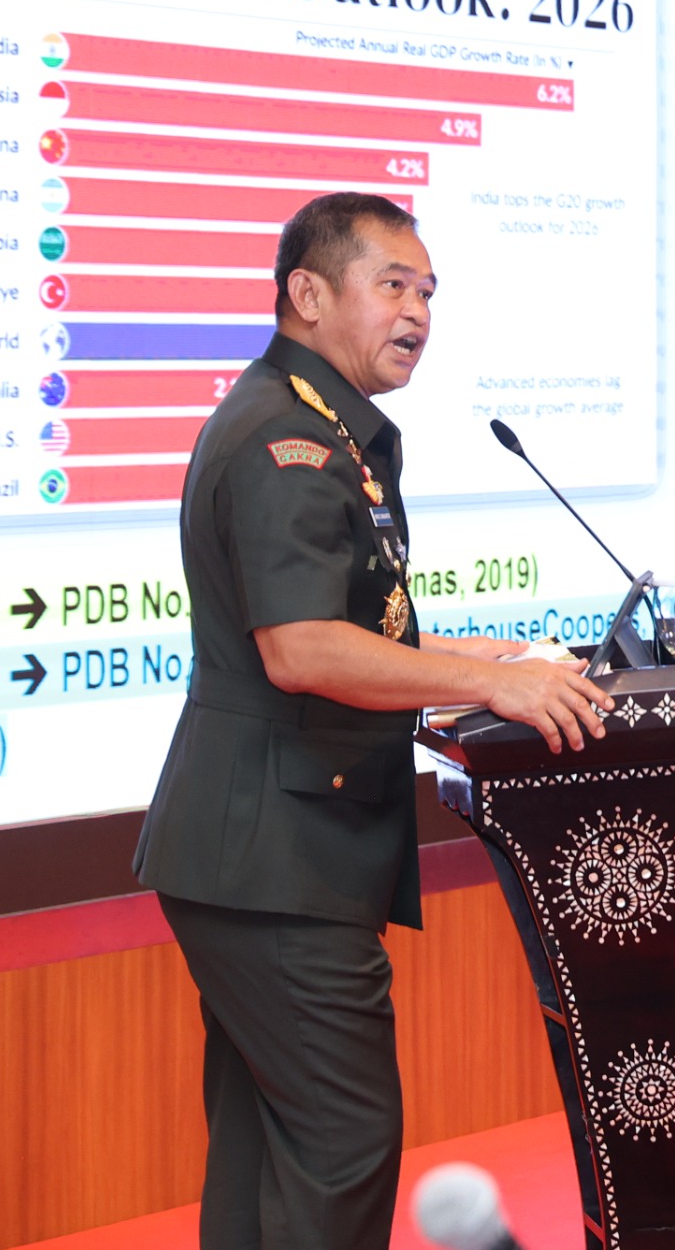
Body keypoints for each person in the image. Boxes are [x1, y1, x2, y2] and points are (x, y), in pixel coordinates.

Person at [134, 191, 616, 1250]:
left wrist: (479, 662)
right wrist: (493, 688)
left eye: (428, 291)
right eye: (392, 285)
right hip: (275, 859)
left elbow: (348, 627)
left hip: (263, 853)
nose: (418, 313)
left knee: (269, 1151)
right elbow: (302, 648)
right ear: (307, 294)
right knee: (340, 1148)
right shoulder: (286, 437)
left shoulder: (317, 421)